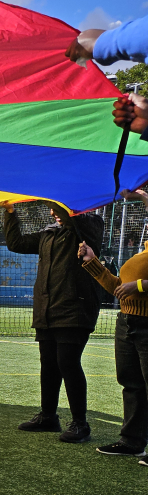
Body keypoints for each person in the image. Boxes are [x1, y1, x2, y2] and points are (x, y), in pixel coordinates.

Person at [2, 201, 104, 443]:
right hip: (47, 310)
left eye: (57, 207)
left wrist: (53, 196)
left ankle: (80, 423)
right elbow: (15, 243)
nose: (52, 213)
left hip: (75, 309)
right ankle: (48, 417)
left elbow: (72, 219)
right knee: (48, 363)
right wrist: (9, 212)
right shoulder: (48, 235)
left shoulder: (89, 227)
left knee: (67, 362)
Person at [79, 187, 148, 462]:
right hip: (128, 321)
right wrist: (92, 262)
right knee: (131, 384)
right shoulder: (142, 254)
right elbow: (119, 289)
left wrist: (140, 285)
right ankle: (132, 442)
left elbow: (133, 287)